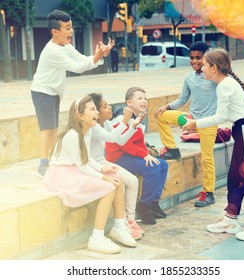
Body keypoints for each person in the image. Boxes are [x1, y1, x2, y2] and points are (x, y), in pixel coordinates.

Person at [183, 48, 244, 241]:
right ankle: (231, 218)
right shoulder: (225, 83)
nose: (202, 68)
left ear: (214, 67)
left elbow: (220, 117)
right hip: (243, 130)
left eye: (205, 65)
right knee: (235, 176)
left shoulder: (224, 85)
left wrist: (196, 124)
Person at [43, 95, 137, 254]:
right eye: (92, 109)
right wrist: (103, 176)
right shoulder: (73, 135)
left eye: (96, 109)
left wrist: (102, 169)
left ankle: (119, 227)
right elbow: (82, 164)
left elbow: (87, 158)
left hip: (76, 169)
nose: (97, 113)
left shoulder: (86, 132)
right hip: (62, 175)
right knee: (108, 187)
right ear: (79, 115)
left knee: (117, 179)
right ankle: (97, 237)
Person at [31, 9, 115, 179]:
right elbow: (76, 68)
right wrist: (98, 56)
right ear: (55, 31)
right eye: (67, 28)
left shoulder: (65, 46)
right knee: (46, 130)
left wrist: (100, 55)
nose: (71, 31)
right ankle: (43, 165)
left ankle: (55, 161)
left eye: (71, 27)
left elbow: (81, 59)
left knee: (53, 129)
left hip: (52, 93)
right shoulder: (52, 51)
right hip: (42, 92)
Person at [154, 42, 218, 207]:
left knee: (207, 157)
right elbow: (183, 100)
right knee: (162, 116)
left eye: (198, 58)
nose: (194, 61)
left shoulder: (215, 77)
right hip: (190, 119)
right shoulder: (189, 78)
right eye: (191, 58)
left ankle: (208, 192)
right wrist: (166, 106)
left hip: (208, 124)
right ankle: (172, 150)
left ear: (207, 57)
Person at [105, 87, 169, 225]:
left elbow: (138, 142)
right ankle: (144, 206)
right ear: (129, 103)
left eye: (145, 98)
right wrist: (144, 155)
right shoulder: (122, 117)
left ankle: (153, 202)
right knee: (152, 167)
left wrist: (146, 153)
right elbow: (122, 143)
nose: (144, 101)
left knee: (163, 164)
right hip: (118, 157)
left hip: (129, 154)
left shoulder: (139, 116)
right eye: (139, 98)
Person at [89, 93, 145, 239]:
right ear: (96, 111)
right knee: (120, 183)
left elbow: (119, 141)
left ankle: (130, 220)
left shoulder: (105, 123)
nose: (110, 108)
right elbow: (112, 137)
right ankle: (122, 222)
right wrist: (126, 119)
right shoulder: (93, 126)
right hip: (93, 165)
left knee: (133, 181)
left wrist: (133, 126)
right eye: (105, 106)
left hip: (102, 162)